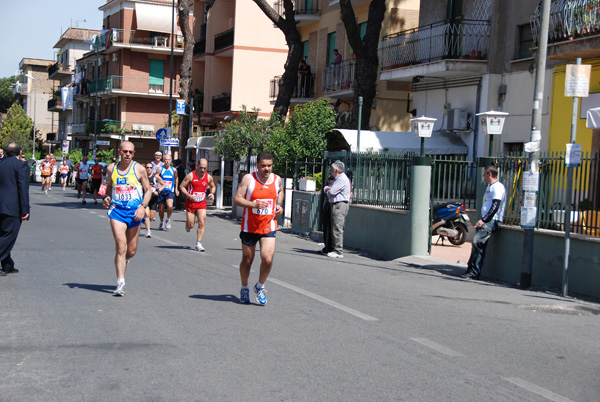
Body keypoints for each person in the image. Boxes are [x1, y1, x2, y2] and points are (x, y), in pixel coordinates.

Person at [234, 151, 284, 305]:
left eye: (269, 166)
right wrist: (254, 204)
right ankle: (244, 287)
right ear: (257, 165)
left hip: (269, 225)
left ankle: (260, 286)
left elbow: (280, 192)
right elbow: (237, 199)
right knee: (248, 260)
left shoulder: (277, 180)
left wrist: (279, 205)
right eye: (263, 166)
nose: (266, 169)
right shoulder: (249, 179)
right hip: (250, 226)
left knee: (267, 258)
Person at [102, 141, 151, 296]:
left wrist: (143, 206)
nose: (127, 154)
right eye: (125, 151)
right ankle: (120, 283)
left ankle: (124, 260)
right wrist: (107, 196)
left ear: (134, 153)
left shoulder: (140, 169)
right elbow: (109, 186)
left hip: (134, 213)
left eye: (130, 152)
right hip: (117, 211)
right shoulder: (112, 169)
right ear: (119, 152)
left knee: (131, 250)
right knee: (121, 247)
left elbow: (148, 190)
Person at [461, 165, 506, 280]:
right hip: (487, 220)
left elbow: (495, 206)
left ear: (490, 174)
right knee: (478, 244)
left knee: (477, 242)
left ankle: (474, 272)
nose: (483, 175)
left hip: (491, 221)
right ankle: (471, 270)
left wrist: (484, 220)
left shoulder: (497, 187)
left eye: (484, 173)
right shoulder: (490, 187)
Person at [0, 142, 30, 276]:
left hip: (1, 205)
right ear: (20, 152)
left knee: (3, 234)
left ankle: (7, 265)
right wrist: (25, 210)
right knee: (8, 236)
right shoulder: (21, 165)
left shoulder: (1, 164)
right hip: (12, 207)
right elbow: (22, 189)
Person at [179, 158, 216, 251]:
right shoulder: (190, 176)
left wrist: (212, 193)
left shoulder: (208, 177)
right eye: (201, 168)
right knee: (191, 225)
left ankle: (198, 243)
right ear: (197, 166)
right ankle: (188, 225)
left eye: (205, 168)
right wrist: (188, 195)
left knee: (201, 222)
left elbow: (213, 186)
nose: (203, 170)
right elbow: (181, 186)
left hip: (201, 203)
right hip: (191, 202)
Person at [324, 161, 351, 258]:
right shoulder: (338, 178)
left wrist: (328, 190)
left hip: (339, 205)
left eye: (332, 170)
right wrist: (327, 189)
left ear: (336, 170)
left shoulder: (342, 179)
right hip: (337, 204)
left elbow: (331, 191)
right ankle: (336, 249)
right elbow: (327, 188)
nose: (331, 172)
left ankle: (338, 251)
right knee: (336, 227)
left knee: (337, 228)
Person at [156, 154, 179, 230]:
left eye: (169, 159)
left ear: (171, 161)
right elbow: (156, 177)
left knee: (170, 206)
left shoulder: (174, 170)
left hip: (170, 191)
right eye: (166, 159)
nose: (167, 161)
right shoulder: (160, 169)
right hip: (162, 191)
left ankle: (168, 219)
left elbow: (176, 178)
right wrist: (157, 185)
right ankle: (161, 222)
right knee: (161, 209)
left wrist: (176, 189)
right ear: (163, 160)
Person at [142, 162, 164, 238]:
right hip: (145, 198)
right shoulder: (142, 177)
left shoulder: (155, 177)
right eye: (147, 167)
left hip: (153, 198)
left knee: (151, 217)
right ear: (145, 168)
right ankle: (148, 231)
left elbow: (164, 184)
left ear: (152, 169)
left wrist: (158, 191)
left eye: (150, 168)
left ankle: (143, 220)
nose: (149, 169)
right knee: (147, 214)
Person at [321, 176, 335, 254]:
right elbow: (326, 190)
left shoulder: (341, 181)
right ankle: (328, 246)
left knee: (331, 227)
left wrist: (328, 189)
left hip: (332, 205)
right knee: (327, 226)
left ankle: (330, 247)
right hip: (329, 205)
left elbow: (329, 191)